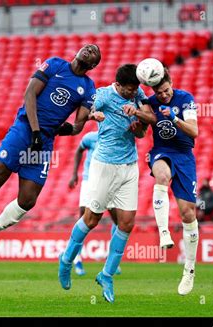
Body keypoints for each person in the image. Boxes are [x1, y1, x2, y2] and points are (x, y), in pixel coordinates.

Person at [0, 44, 103, 268]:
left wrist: (76, 123)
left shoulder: (88, 87)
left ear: (94, 64)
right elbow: (30, 93)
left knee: (27, 201)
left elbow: (77, 126)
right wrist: (35, 130)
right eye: (87, 47)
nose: (89, 50)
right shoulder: (55, 64)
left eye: (94, 52)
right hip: (24, 131)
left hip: (44, 142)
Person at [58, 64, 156, 303]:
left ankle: (107, 275)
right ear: (118, 85)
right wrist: (93, 115)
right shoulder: (101, 95)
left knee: (126, 224)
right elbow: (79, 119)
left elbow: (148, 124)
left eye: (136, 89)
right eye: (129, 90)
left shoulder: (138, 94)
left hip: (129, 167)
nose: (133, 94)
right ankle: (67, 260)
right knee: (91, 219)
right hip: (104, 166)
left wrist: (137, 124)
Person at [148, 69, 199, 296]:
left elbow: (194, 131)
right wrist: (135, 121)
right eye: (159, 93)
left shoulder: (185, 99)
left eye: (166, 90)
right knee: (161, 176)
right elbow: (141, 131)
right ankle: (163, 231)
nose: (164, 96)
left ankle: (189, 270)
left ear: (172, 84)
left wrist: (173, 118)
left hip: (185, 155)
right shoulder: (149, 102)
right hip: (161, 151)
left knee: (188, 214)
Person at [68, 131, 121, 276]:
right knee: (83, 219)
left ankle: (113, 261)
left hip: (108, 181)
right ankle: (76, 259)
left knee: (117, 219)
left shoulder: (115, 136)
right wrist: (74, 174)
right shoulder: (90, 137)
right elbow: (79, 150)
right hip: (89, 180)